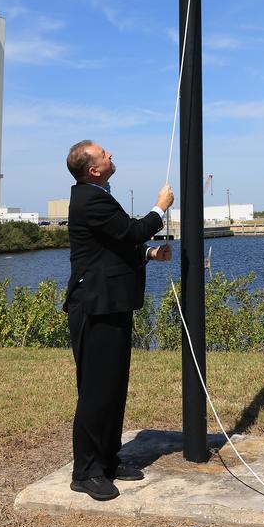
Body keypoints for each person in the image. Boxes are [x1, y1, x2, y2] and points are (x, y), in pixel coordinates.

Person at [63, 140, 174, 502]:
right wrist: (160, 209)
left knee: (112, 386)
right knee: (96, 391)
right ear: (93, 169)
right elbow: (129, 231)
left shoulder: (97, 195)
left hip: (111, 304)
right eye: (104, 154)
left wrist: (147, 254)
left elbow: (112, 247)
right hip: (95, 308)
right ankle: (87, 471)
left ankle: (108, 459)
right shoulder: (90, 198)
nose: (111, 155)